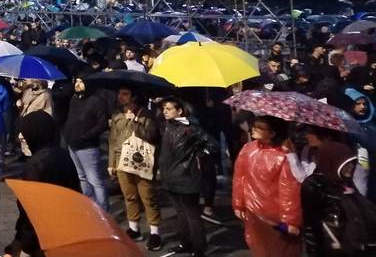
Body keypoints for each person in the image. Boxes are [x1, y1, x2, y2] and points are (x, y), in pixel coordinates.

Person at [4, 111, 81, 257]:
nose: (22, 141)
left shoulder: (35, 166)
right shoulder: (63, 155)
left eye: (24, 138)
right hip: (65, 234)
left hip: (39, 241)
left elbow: (30, 214)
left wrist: (23, 248)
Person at [232, 115, 302, 257]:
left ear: (272, 133)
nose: (254, 129)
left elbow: (288, 190)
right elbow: (239, 178)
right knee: (258, 247)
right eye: (255, 126)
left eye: (260, 128)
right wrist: (238, 203)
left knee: (281, 250)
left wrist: (290, 220)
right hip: (253, 212)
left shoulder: (283, 155)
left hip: (275, 216)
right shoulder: (247, 149)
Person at [158, 97, 215, 257]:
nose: (165, 112)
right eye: (164, 109)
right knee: (180, 212)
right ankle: (185, 243)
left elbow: (212, 145)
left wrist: (197, 156)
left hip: (187, 177)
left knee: (192, 214)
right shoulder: (167, 126)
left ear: (179, 111)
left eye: (168, 109)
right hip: (170, 176)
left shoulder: (191, 128)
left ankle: (199, 248)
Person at [108, 86, 162, 250]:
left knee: (148, 197)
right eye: (119, 93)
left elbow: (152, 136)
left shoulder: (146, 114)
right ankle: (134, 229)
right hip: (121, 161)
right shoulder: (117, 114)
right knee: (129, 196)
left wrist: (136, 122)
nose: (121, 96)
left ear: (134, 96)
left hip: (142, 161)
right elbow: (112, 140)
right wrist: (111, 163)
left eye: (125, 93)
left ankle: (155, 233)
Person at [301, 141, 376, 255]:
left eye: (352, 162)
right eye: (346, 163)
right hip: (331, 249)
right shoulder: (314, 184)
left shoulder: (344, 182)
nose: (351, 167)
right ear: (333, 162)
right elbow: (311, 226)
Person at [61, 75, 110, 210]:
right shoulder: (75, 98)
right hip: (72, 143)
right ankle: (89, 206)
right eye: (76, 81)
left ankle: (103, 211)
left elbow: (102, 124)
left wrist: (86, 136)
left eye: (80, 82)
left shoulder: (97, 101)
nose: (77, 84)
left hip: (87, 146)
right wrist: (68, 134)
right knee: (81, 177)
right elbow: (71, 117)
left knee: (95, 180)